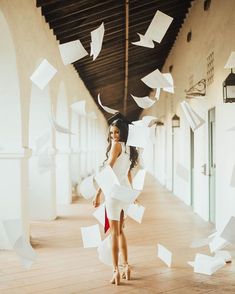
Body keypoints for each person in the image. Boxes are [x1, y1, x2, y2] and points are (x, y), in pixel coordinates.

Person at [93, 114, 138, 286]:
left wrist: (98, 193)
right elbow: (127, 173)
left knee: (114, 233)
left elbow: (108, 169)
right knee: (121, 232)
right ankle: (127, 266)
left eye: (116, 133)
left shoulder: (116, 147)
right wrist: (132, 193)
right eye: (111, 133)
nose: (113, 136)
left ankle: (116, 271)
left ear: (123, 132)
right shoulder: (130, 148)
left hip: (113, 193)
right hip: (125, 193)